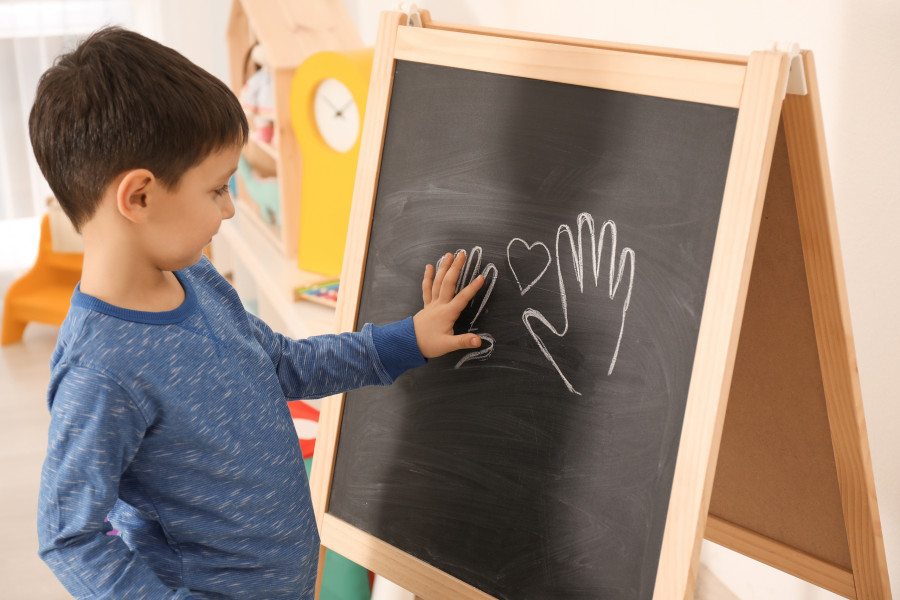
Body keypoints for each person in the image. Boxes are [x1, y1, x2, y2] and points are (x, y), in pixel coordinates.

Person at [29, 27, 484, 599]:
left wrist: (407, 340)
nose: (229, 208)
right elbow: (68, 535)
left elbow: (281, 365)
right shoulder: (101, 369)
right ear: (139, 196)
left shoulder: (194, 276)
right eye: (217, 189)